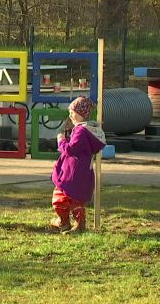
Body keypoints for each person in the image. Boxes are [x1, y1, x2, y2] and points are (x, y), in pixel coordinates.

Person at [50, 96, 106, 234]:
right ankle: (69, 223)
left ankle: (70, 223)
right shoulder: (87, 130)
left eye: (73, 112)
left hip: (72, 172)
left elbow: (71, 149)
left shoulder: (81, 131)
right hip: (80, 171)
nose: (70, 115)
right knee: (75, 198)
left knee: (61, 196)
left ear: (82, 114)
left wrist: (61, 141)